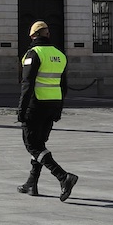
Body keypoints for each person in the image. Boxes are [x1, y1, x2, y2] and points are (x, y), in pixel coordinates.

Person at [16, 21, 78, 201]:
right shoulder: (60, 55)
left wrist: (21, 110)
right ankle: (31, 183)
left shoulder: (33, 54)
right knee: (40, 144)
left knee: (32, 145)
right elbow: (63, 86)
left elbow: (27, 84)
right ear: (47, 35)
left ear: (33, 36)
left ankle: (63, 176)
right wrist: (59, 109)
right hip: (53, 104)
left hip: (36, 104)